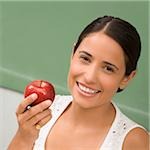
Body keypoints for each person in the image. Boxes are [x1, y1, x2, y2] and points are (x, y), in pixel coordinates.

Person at [8, 16, 149, 150]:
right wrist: (24, 136)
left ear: (127, 78)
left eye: (108, 68)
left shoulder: (134, 141)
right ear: (73, 54)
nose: (90, 77)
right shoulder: (44, 112)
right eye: (85, 59)